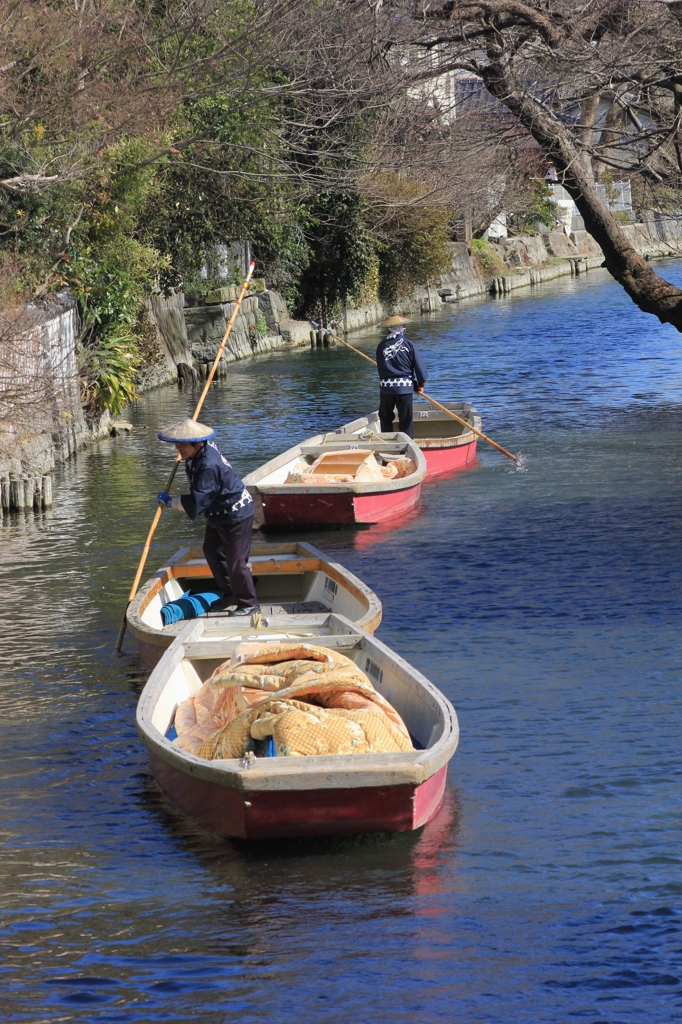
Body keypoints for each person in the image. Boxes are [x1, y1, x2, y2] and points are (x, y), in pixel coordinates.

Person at [156, 418, 259, 617]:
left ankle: (249, 602)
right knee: (211, 550)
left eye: (182, 444)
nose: (178, 448)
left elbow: (196, 503)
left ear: (197, 443)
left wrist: (170, 502)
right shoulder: (201, 448)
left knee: (236, 561)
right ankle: (231, 593)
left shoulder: (208, 466)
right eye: (176, 444)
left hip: (236, 513)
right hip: (217, 512)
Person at [376, 316, 427, 439]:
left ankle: (387, 446)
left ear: (388, 330)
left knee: (385, 418)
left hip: (386, 389)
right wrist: (420, 385)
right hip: (404, 388)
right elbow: (419, 368)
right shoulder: (409, 345)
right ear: (403, 330)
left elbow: (381, 370)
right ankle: (407, 447)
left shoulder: (381, 347)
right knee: (405, 420)